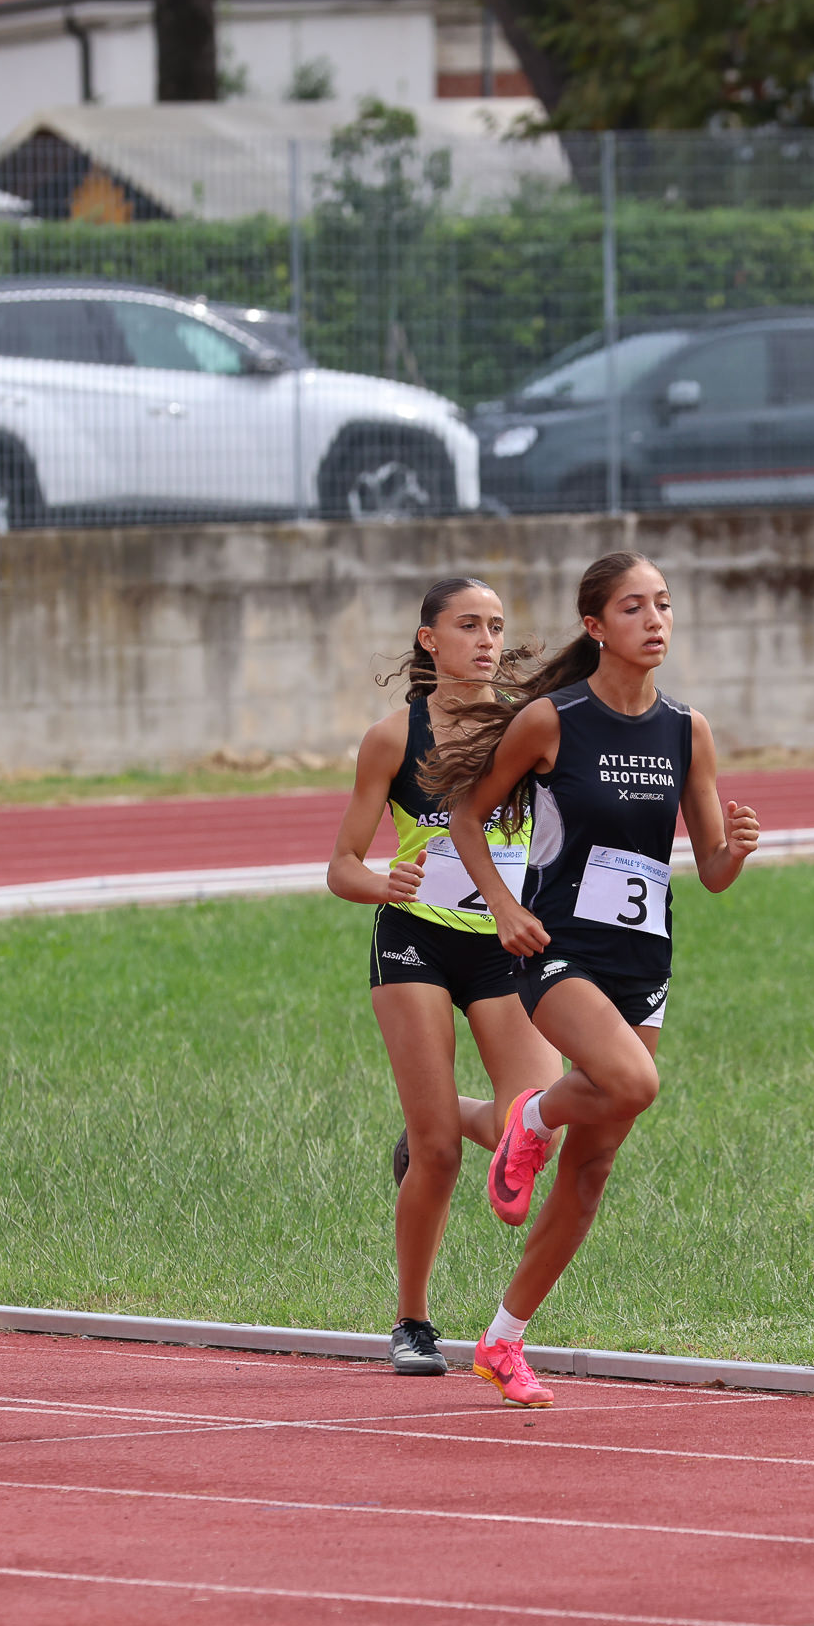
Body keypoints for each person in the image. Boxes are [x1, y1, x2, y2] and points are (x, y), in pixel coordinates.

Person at [423, 553, 763, 1408]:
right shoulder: (553, 719)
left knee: (596, 1165)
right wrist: (503, 907)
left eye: (664, 605)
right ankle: (531, 1118)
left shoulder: (687, 730)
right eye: (634, 607)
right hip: (558, 947)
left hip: (645, 959)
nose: (655, 621)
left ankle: (503, 1339)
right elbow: (466, 815)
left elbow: (711, 870)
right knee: (633, 1083)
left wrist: (735, 850)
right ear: (595, 626)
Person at [326, 577, 564, 1377]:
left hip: (506, 945)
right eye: (469, 625)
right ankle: (413, 1320)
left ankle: (451, 1114)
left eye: (496, 626)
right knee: (436, 1154)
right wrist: (381, 883)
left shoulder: (531, 727)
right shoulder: (393, 739)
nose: (487, 640)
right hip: (416, 943)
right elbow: (341, 864)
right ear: (430, 640)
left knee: (536, 1126)